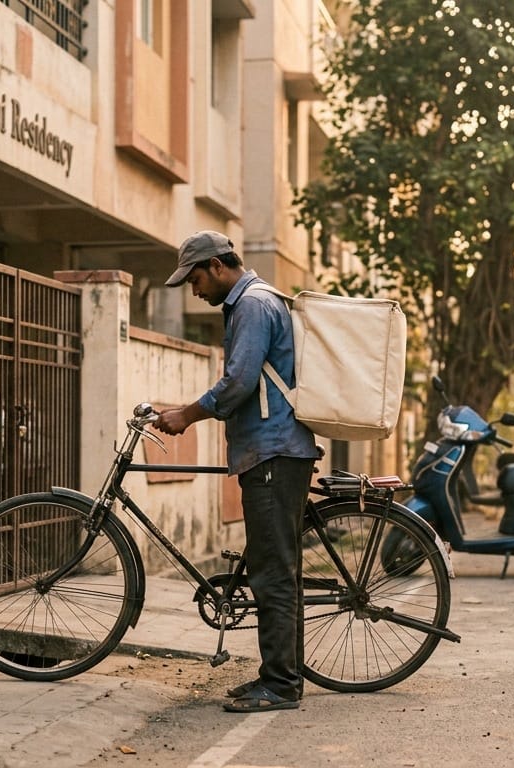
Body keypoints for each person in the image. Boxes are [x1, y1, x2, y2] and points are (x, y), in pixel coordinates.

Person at [154, 230, 319, 713]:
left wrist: (188, 413)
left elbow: (240, 381)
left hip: (274, 453)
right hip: (273, 452)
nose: (195, 290)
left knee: (272, 574)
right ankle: (277, 676)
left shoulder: (252, 305)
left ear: (220, 266)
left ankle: (281, 686)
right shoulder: (252, 302)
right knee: (277, 570)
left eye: (197, 278)